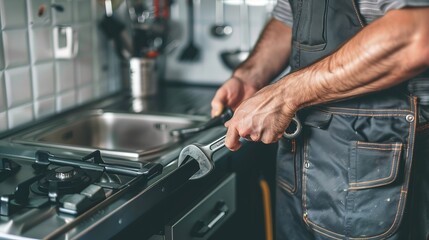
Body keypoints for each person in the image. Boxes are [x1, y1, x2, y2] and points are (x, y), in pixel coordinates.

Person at [211, 0, 429, 239]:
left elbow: (416, 37)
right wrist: (250, 76)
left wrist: (282, 96)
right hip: (303, 154)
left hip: (386, 156)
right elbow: (289, 18)